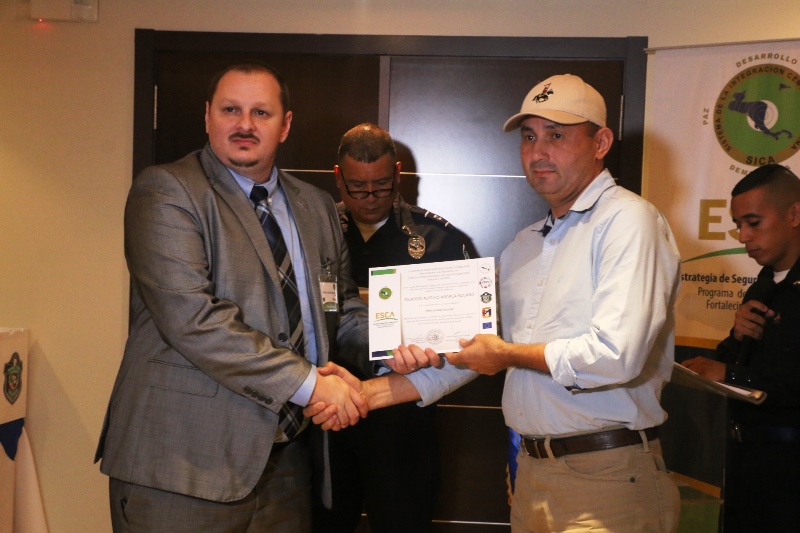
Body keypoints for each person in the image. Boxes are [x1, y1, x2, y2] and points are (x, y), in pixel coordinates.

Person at [308, 73, 683, 533]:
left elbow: (615, 355)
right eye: (529, 136)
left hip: (608, 475)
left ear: (601, 142)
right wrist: (365, 394)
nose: (538, 152)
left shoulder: (629, 221)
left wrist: (505, 355)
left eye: (556, 135)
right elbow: (470, 355)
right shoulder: (524, 245)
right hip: (534, 473)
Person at [94, 62, 370, 533]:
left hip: (287, 467)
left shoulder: (317, 206)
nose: (245, 124)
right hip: (181, 465)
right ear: (207, 116)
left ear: (285, 124)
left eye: (261, 112)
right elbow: (193, 320)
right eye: (230, 110)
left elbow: (336, 309)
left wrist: (400, 342)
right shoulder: (167, 191)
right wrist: (312, 385)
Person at [313, 123, 468, 532]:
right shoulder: (316, 234)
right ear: (338, 177)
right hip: (326, 422)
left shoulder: (437, 239)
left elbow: (469, 342)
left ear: (397, 174)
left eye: (381, 186)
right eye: (357, 188)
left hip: (404, 426)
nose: (370, 198)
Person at [682, 164, 800, 533]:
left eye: (753, 222)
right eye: (738, 225)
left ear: (795, 214)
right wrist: (735, 338)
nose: (743, 236)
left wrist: (731, 374)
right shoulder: (763, 284)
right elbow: (735, 358)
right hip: (747, 465)